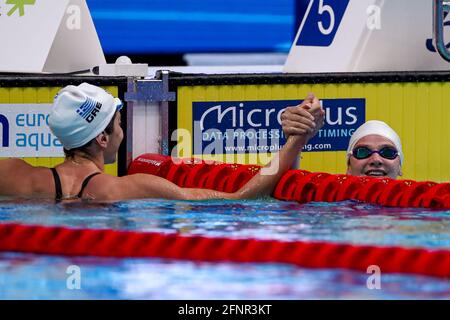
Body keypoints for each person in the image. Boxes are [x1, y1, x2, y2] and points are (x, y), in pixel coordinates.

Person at [0, 83, 325, 201]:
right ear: (102, 138)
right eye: (118, 125)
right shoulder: (127, 188)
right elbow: (241, 196)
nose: (122, 133)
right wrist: (297, 140)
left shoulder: (12, 174)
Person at [282, 107, 403, 179]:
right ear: (348, 167)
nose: (376, 159)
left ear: (400, 167)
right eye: (362, 152)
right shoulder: (331, 204)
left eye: (388, 152)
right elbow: (289, 196)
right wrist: (296, 140)